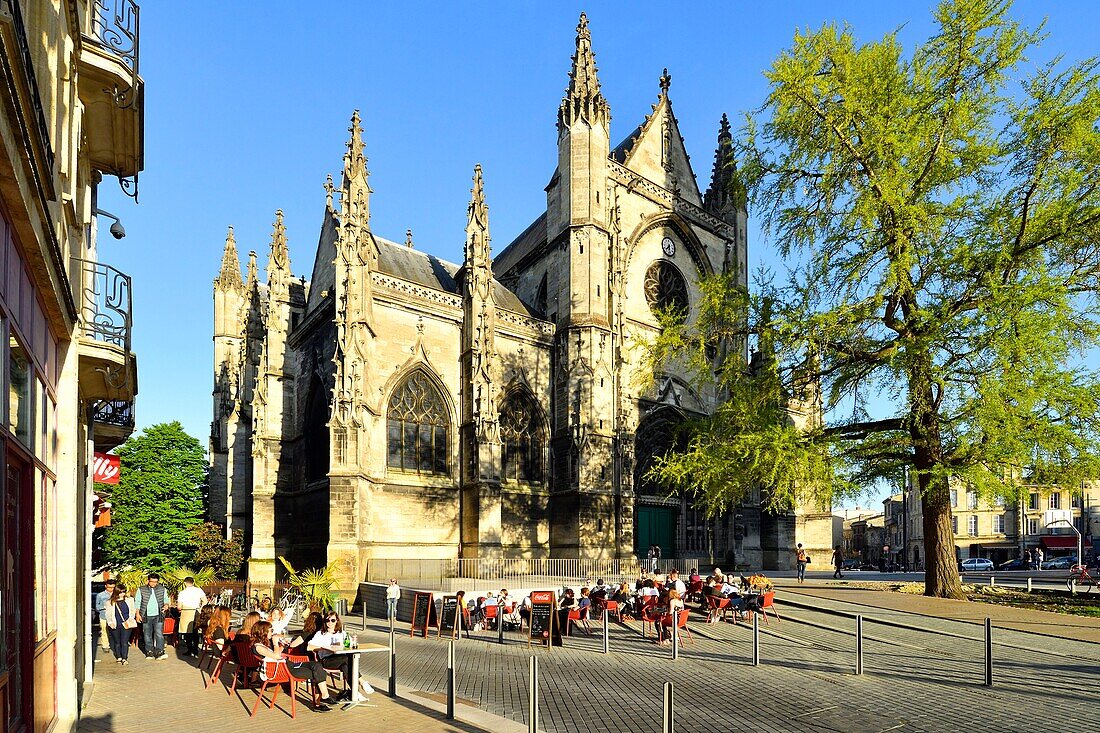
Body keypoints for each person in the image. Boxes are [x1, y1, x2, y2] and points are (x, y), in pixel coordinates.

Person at [250, 620, 336, 711]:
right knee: (317, 673)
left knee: (316, 665)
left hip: (288, 665)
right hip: (283, 670)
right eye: (271, 630)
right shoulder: (258, 647)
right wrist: (275, 643)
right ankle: (319, 703)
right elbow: (276, 656)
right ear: (263, 632)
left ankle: (324, 697)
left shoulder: (263, 644)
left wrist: (283, 645)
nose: (273, 632)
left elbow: (276, 654)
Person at [136, 573, 170, 660]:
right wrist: (137, 614)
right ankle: (149, 651)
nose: (154, 583)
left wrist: (166, 605)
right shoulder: (141, 589)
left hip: (159, 615)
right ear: (148, 581)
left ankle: (160, 651)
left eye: (156, 582)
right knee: (147, 634)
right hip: (146, 615)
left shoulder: (162, 589)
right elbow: (138, 602)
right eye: (152, 581)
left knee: (159, 634)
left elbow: (166, 599)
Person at [104, 584, 137, 664]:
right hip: (115, 624)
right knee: (117, 642)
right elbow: (108, 614)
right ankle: (119, 656)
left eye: (123, 592)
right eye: (120, 592)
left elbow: (133, 610)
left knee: (124, 642)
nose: (122, 594)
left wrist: (131, 618)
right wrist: (110, 622)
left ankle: (124, 658)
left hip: (126, 624)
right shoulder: (110, 602)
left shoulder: (130, 600)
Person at [176, 576, 208, 656]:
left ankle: (189, 650)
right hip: (196, 611)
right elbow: (205, 601)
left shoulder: (182, 593)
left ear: (185, 583)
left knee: (187, 632)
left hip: (186, 611)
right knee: (195, 631)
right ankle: (196, 649)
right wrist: (200, 608)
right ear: (193, 582)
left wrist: (179, 609)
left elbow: (179, 606)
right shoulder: (198, 590)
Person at [95, 578, 116, 653]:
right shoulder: (100, 595)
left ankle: (116, 645)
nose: (111, 589)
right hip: (103, 615)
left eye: (113, 587)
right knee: (104, 630)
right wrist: (103, 607)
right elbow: (97, 607)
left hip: (114, 616)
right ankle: (105, 645)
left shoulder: (116, 594)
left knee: (115, 630)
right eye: (109, 587)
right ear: (105, 586)